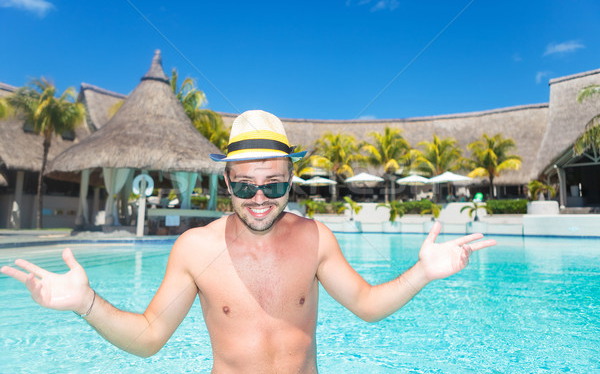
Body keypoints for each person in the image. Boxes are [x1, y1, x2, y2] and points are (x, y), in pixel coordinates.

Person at [1, 110, 496, 373]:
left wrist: (423, 273)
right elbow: (150, 338)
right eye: (245, 184)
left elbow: (366, 304)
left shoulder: (314, 238)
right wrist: (86, 302)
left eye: (274, 184)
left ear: (290, 181)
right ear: (228, 180)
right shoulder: (196, 249)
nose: (259, 197)